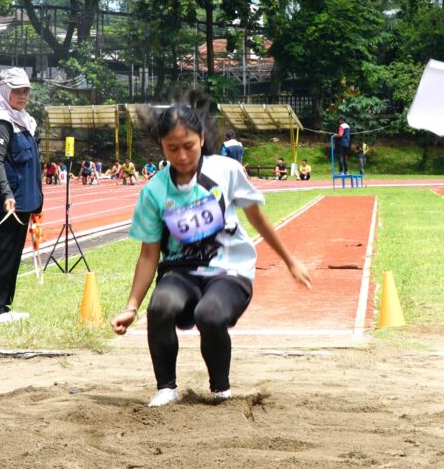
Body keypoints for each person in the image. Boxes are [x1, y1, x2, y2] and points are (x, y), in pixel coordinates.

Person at [110, 91, 312, 407]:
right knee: (160, 307)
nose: (182, 156)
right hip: (181, 272)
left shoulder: (226, 171)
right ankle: (166, 387)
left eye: (188, 146)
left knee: (210, 314)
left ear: (202, 138)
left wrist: (289, 260)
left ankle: (220, 389)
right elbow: (149, 254)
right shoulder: (154, 190)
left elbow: (257, 218)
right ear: (161, 146)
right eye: (172, 148)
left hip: (229, 270)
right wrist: (132, 306)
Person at [0, 67, 43, 325]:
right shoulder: (0, 121)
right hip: (7, 204)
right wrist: (6, 194)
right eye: (17, 91)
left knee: (11, 255)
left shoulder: (21, 120)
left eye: (26, 90)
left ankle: (0, 307)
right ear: (6, 91)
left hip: (21, 202)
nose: (23, 95)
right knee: (3, 254)